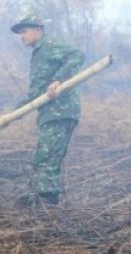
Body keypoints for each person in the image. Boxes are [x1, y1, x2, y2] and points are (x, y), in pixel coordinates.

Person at [11, 14, 84, 205]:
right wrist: (9, 116)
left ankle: (47, 209)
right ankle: (47, 203)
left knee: (45, 159)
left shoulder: (50, 44)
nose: (21, 36)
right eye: (19, 33)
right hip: (51, 114)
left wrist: (59, 79)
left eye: (24, 31)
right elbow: (35, 94)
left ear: (38, 29)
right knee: (49, 159)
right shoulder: (38, 54)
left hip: (59, 112)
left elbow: (77, 56)